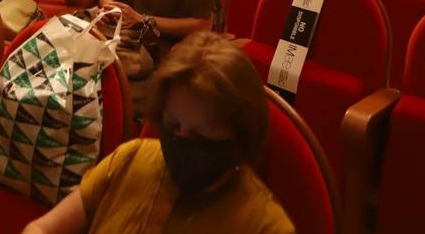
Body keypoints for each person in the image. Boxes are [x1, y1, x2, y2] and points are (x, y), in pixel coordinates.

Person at [23, 30, 294, 234]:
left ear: (239, 136)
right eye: (174, 126)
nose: (183, 142)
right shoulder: (131, 159)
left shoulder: (264, 225)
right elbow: (41, 229)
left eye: (201, 135)